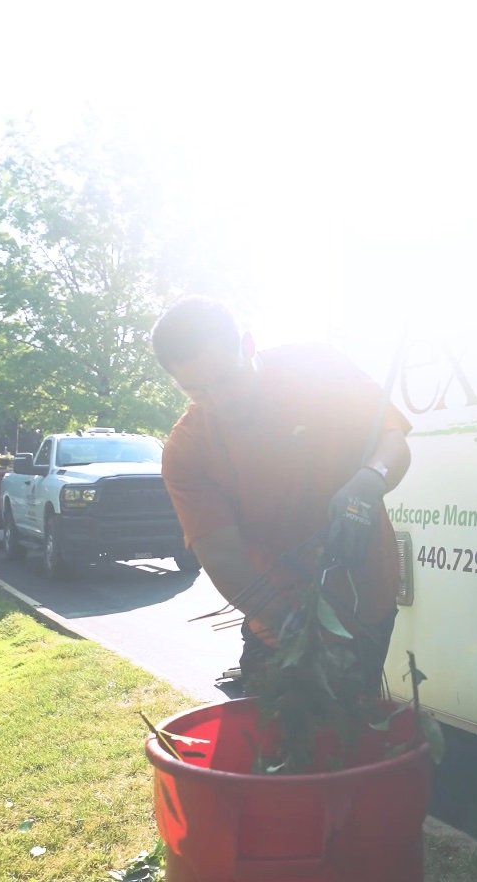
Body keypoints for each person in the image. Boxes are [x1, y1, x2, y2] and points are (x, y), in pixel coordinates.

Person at [151, 296, 410, 693]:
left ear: (249, 346)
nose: (219, 401)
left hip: (368, 598)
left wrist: (369, 483)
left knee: (356, 731)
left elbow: (393, 442)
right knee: (284, 744)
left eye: (226, 379)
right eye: (197, 391)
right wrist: (295, 634)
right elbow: (222, 556)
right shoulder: (187, 451)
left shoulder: (317, 369)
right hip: (276, 619)